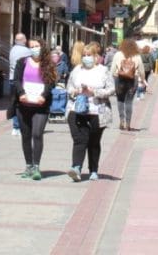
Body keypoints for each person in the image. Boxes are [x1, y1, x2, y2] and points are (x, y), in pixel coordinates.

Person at [65, 43, 115, 182]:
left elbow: (111, 89)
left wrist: (94, 91)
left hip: (97, 110)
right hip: (76, 109)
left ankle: (93, 169)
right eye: (84, 55)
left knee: (94, 141)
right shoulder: (77, 70)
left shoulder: (103, 71)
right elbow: (69, 87)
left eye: (89, 55)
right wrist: (75, 91)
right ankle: (76, 168)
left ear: (96, 56)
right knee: (79, 139)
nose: (86, 58)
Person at [12, 38, 58, 180]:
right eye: (31, 46)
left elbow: (50, 82)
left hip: (40, 106)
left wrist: (44, 95)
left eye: (36, 46)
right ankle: (29, 165)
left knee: (37, 134)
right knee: (26, 135)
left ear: (42, 47)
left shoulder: (48, 64)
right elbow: (16, 80)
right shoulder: (22, 62)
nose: (34, 49)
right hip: (24, 104)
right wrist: (21, 93)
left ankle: (36, 166)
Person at [109, 38, 144, 131]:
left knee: (120, 100)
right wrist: (143, 80)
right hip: (133, 80)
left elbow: (112, 69)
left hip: (119, 79)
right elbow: (141, 70)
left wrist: (111, 79)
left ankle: (122, 120)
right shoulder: (137, 55)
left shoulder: (118, 54)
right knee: (129, 102)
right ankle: (128, 123)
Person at [7, 33, 32, 136]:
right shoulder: (26, 51)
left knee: (14, 102)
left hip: (11, 79)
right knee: (23, 104)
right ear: (23, 40)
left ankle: (15, 127)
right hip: (21, 81)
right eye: (25, 39)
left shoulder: (12, 50)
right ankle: (21, 126)